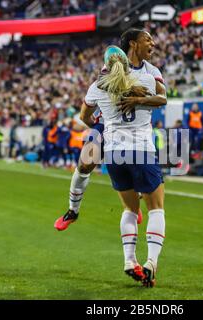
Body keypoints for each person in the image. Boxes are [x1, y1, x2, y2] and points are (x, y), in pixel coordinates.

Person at [71, 46, 166, 287]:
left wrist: (101, 128)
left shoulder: (98, 87)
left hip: (114, 153)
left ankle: (129, 259)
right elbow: (162, 98)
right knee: (156, 209)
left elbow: (84, 117)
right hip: (142, 150)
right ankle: (151, 263)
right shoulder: (145, 78)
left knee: (130, 211)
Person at [55, 28, 167, 230]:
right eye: (148, 39)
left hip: (135, 128)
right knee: (85, 163)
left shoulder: (152, 71)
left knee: (130, 165)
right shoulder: (115, 63)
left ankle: (133, 204)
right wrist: (131, 89)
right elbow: (103, 84)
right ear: (134, 43)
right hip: (107, 122)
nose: (153, 44)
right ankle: (73, 210)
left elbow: (162, 98)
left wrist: (140, 98)